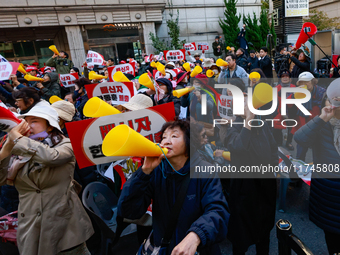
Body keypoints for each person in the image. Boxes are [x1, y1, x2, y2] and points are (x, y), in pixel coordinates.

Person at [118, 119, 229, 255]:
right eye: (164, 137)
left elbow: (217, 211)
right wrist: (144, 172)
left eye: (174, 136)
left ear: (189, 142)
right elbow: (129, 211)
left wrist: (196, 235)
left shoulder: (205, 171)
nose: (166, 141)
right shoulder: (157, 171)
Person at [0, 104, 94, 255]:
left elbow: (50, 157)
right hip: (31, 226)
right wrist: (7, 146)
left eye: (34, 121)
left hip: (65, 225)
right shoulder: (17, 149)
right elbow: (1, 178)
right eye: (25, 121)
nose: (27, 126)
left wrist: (17, 139)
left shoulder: (65, 144)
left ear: (50, 127)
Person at [225, 100, 278, 255]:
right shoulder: (233, 128)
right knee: (241, 233)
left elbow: (273, 148)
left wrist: (273, 168)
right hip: (244, 188)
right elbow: (239, 147)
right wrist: (247, 121)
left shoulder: (263, 125)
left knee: (264, 229)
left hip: (265, 186)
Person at [294, 81, 340, 255]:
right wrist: (321, 118)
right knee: (333, 240)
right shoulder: (322, 124)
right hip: (328, 195)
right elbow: (300, 139)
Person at [292, 71, 326, 161]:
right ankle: (299, 172)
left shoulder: (321, 92)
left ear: (312, 81)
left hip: (318, 128)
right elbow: (289, 108)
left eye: (307, 81)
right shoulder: (297, 93)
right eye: (302, 82)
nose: (304, 84)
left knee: (318, 155)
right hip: (304, 128)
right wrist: (294, 97)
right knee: (300, 155)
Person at [272, 69, 296, 150]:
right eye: (283, 76)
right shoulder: (276, 88)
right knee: (277, 127)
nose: (285, 78)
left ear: (290, 78)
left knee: (291, 127)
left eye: (287, 76)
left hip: (291, 110)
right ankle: (278, 142)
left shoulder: (294, 87)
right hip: (279, 110)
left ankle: (289, 142)